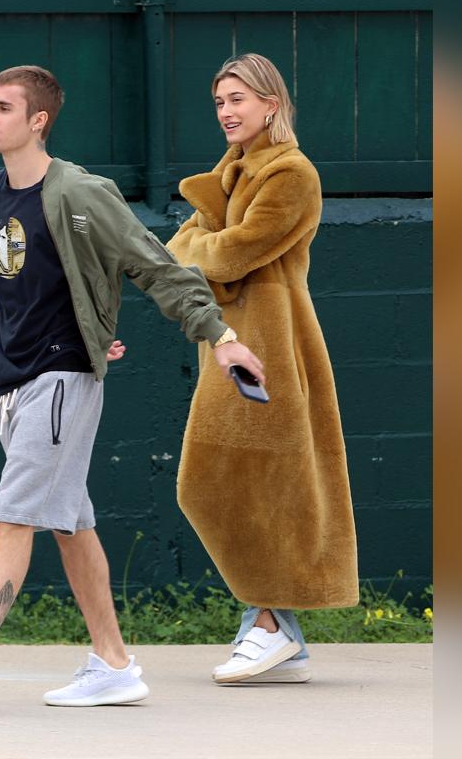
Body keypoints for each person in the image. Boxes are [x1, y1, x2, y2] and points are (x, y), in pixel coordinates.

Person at [0, 65, 265, 711]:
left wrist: (221, 338)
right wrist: (91, 322)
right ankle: (114, 662)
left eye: (3, 107)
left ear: (37, 121)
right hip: (14, 388)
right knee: (72, 526)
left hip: (60, 385)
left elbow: (151, 263)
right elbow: (25, 286)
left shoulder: (77, 192)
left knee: (14, 517)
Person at [167, 53, 359, 685]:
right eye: (219, 102)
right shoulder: (231, 174)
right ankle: (274, 629)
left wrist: (199, 248)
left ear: (270, 104)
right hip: (227, 344)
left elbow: (224, 254)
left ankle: (274, 626)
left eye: (238, 100)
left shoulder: (292, 175)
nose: (225, 112)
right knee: (219, 481)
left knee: (260, 480)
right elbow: (179, 255)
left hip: (274, 347)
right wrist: (198, 250)